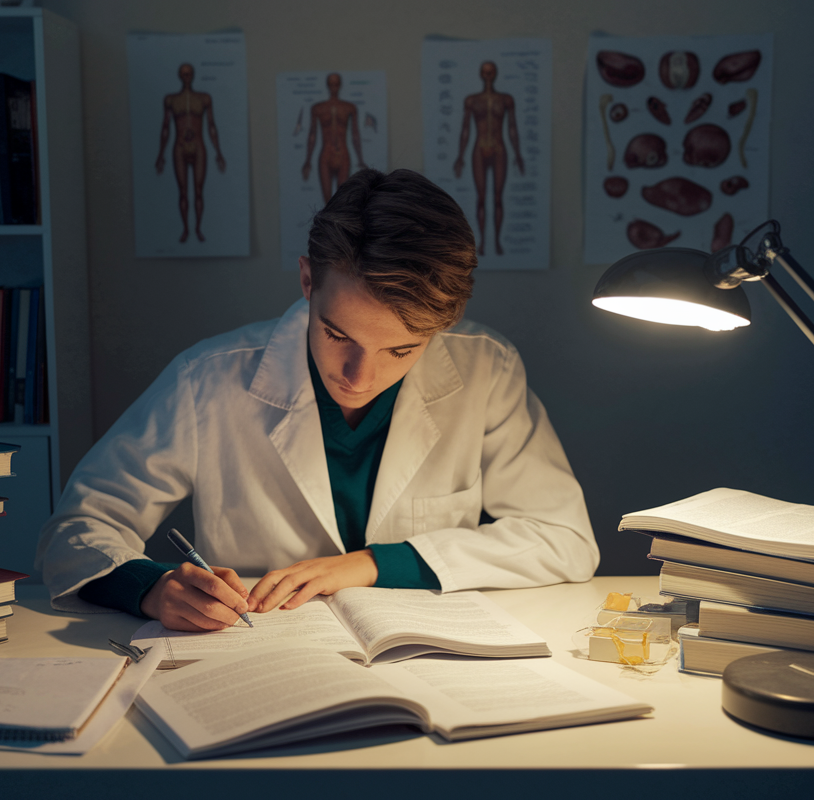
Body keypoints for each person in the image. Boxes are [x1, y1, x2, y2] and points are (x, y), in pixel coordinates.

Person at [35, 168, 597, 631]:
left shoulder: (485, 369)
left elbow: (564, 539)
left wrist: (373, 565)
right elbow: (78, 528)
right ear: (307, 281)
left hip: (426, 652)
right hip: (261, 651)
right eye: (337, 335)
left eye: (400, 350)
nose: (359, 376)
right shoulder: (207, 379)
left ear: (441, 327)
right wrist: (151, 588)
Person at [453, 61, 524, 256]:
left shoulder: (506, 100)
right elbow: (465, 129)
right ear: (480, 74)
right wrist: (460, 156)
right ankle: (483, 242)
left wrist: (518, 154)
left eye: (491, 72)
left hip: (499, 149)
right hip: (479, 148)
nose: (488, 75)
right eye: (485, 72)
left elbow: (512, 128)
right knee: (481, 198)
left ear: (495, 74)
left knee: (498, 198)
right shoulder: (472, 100)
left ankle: (497, 242)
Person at [155, 62, 226, 243]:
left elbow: (211, 126)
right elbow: (165, 127)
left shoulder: (203, 98)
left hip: (198, 145)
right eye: (183, 74)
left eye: (189, 74)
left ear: (193, 75)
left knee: (199, 191)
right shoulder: (171, 100)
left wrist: (218, 152)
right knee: (183, 192)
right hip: (179, 146)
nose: (186, 77)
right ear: (180, 76)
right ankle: (186, 229)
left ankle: (198, 228)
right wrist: (160, 154)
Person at [302, 73, 366, 203]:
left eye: (336, 84)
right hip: (326, 155)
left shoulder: (349, 108)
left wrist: (360, 159)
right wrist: (308, 160)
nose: (334, 87)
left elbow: (355, 134)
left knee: (341, 201)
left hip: (343, 155)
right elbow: (312, 135)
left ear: (340, 85)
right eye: (331, 84)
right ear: (327, 85)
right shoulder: (318, 108)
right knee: (327, 203)